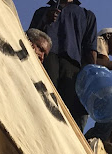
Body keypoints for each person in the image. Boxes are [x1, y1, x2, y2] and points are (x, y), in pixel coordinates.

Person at [30, 0, 97, 130]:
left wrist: (92, 76)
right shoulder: (42, 12)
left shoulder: (87, 15)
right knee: (44, 98)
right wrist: (45, 20)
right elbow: (31, 37)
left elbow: (90, 49)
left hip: (73, 67)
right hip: (47, 59)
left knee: (66, 111)